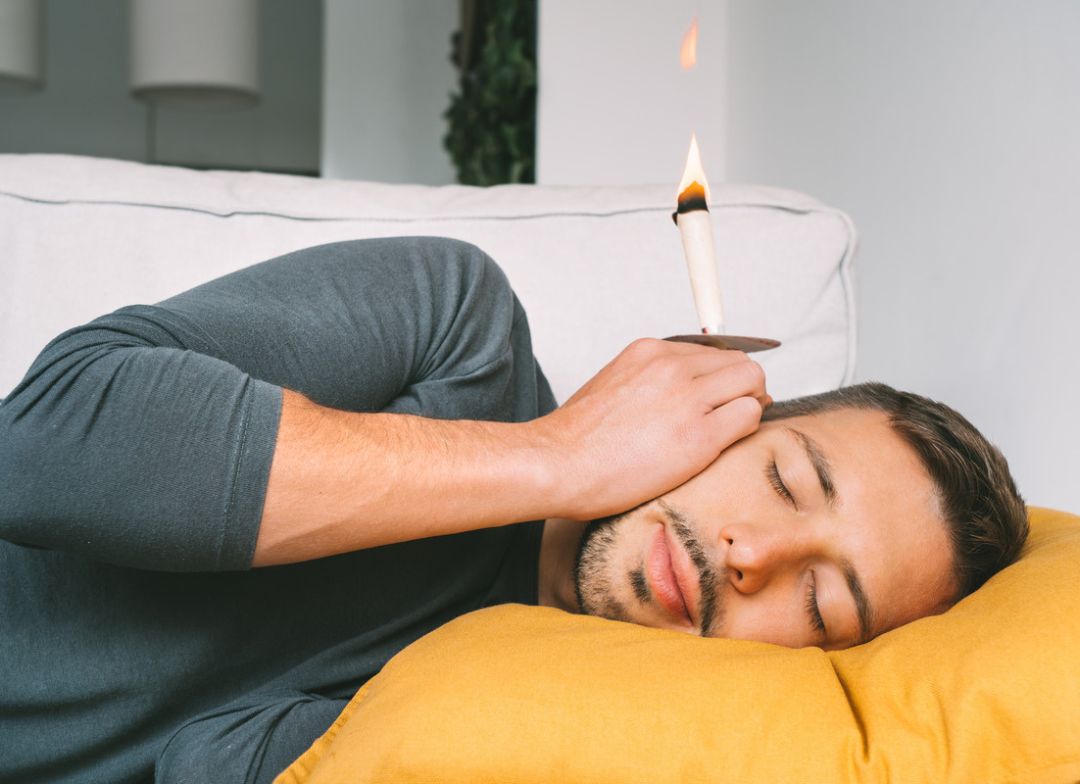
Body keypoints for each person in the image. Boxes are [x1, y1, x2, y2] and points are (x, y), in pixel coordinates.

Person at [0, 238, 1027, 784]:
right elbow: (44, 446)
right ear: (714, 409)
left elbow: (202, 762)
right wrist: (557, 458)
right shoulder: (460, 327)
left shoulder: (528, 721)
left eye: (819, 606)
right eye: (785, 481)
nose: (752, 553)